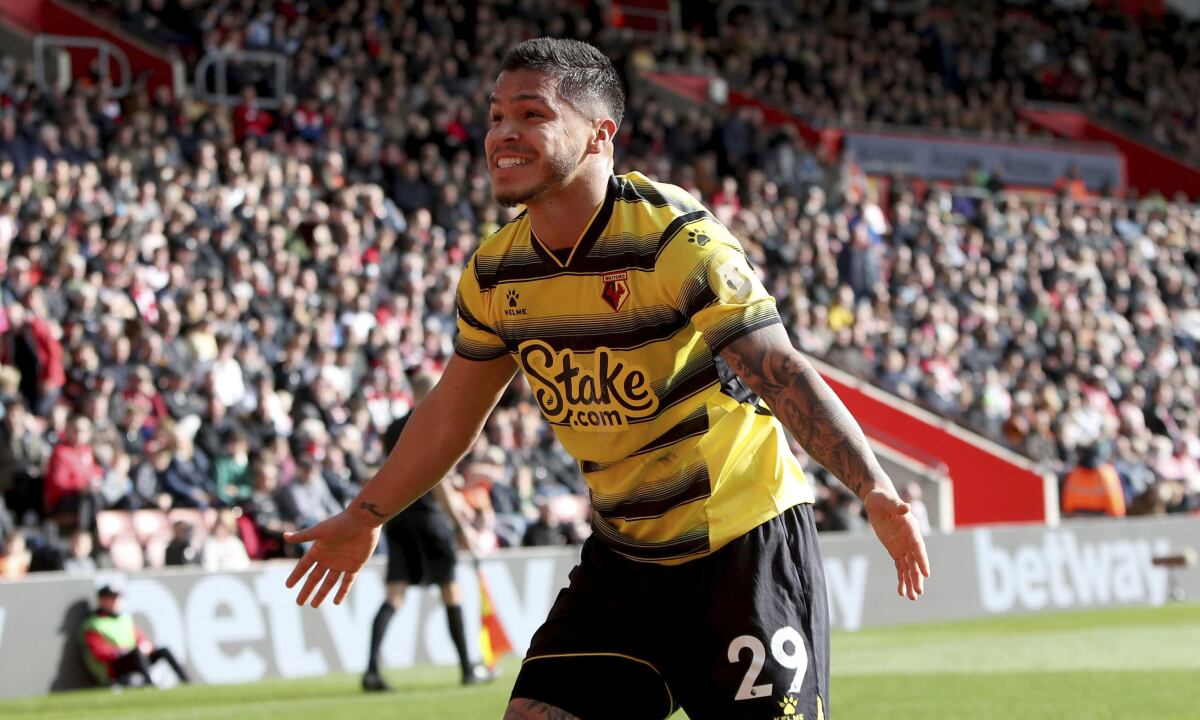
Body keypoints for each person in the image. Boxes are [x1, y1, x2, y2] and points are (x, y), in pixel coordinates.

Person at [285, 38, 929, 720]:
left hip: (740, 546)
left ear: (600, 135)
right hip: (625, 561)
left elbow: (778, 368)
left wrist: (874, 488)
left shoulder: (675, 240)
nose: (502, 132)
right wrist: (366, 514)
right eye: (496, 114)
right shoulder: (496, 273)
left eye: (530, 114)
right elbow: (452, 412)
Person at [361, 372, 495, 691]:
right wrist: (460, 525)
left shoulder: (393, 428)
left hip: (396, 518)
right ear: (433, 391)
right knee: (451, 590)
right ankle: (467, 669)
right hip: (429, 520)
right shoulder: (434, 423)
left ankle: (370, 671)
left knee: (394, 594)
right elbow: (440, 482)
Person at [79, 584, 190, 687]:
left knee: (163, 650)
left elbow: (141, 638)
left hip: (135, 657)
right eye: (112, 598)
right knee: (136, 653)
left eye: (117, 598)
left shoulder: (124, 619)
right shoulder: (93, 624)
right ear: (102, 600)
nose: (116, 602)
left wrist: (145, 646)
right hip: (114, 666)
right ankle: (150, 684)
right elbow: (98, 652)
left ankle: (186, 681)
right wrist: (121, 651)